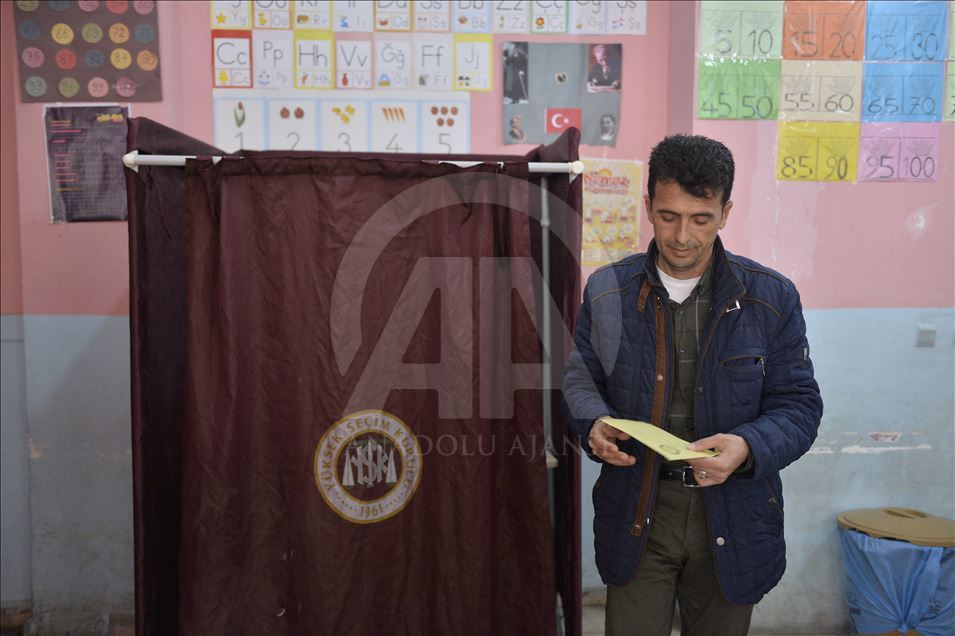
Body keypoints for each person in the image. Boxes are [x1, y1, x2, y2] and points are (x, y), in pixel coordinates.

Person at [562, 135, 823, 635]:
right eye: (668, 216)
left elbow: (799, 407)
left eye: (701, 218)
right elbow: (581, 378)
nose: (682, 235)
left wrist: (747, 446)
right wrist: (592, 422)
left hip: (734, 510)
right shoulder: (607, 290)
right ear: (648, 208)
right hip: (639, 510)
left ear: (725, 213)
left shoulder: (770, 298)